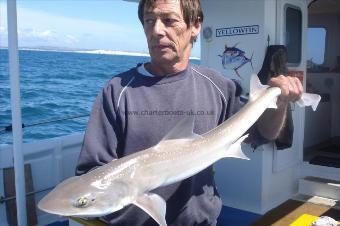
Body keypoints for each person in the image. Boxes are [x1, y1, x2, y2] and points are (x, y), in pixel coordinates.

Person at [76, 0, 303, 225]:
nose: (156, 30)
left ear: (195, 26)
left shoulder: (218, 86)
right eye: (149, 21)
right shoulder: (117, 91)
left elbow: (263, 133)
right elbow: (92, 173)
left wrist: (280, 102)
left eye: (169, 20)